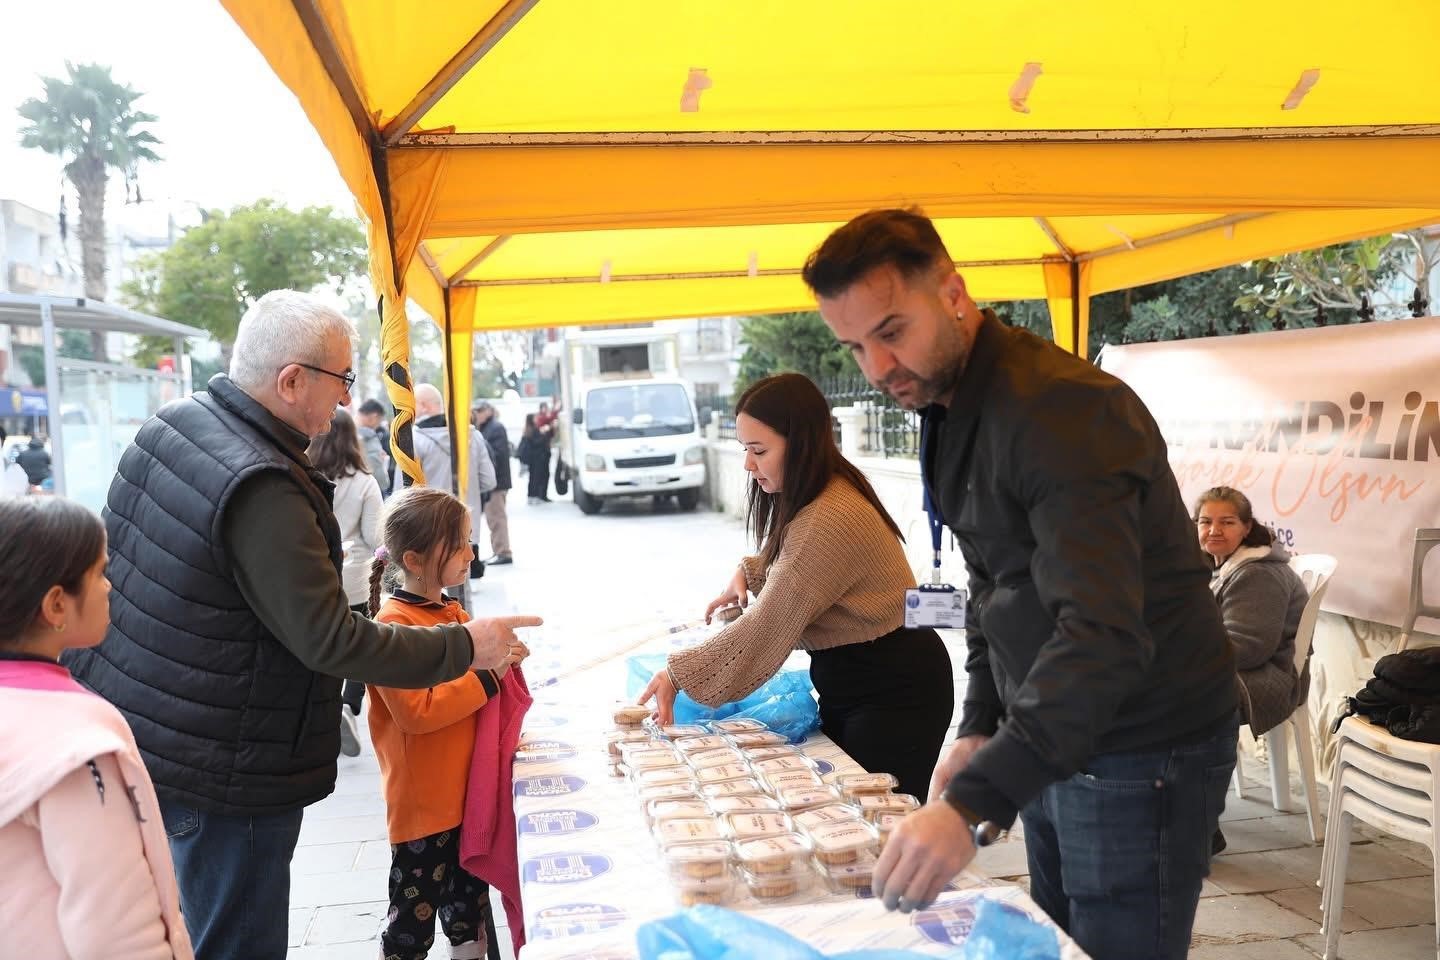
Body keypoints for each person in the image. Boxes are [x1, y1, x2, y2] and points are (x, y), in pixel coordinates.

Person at [807, 209, 1238, 959]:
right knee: (1060, 939)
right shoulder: (948, 404)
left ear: (953, 293)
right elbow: (994, 585)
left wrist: (973, 802)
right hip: (1056, 725)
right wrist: (981, 725)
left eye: (891, 331)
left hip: (1146, 740)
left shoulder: (1061, 412)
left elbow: (1102, 635)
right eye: (854, 347)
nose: (877, 368)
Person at [62, 290, 540, 960]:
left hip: (151, 731)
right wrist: (468, 646)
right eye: (342, 381)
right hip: (225, 756)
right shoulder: (260, 483)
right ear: (291, 381)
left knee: (194, 924)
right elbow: (331, 639)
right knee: (238, 937)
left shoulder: (171, 425)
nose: (345, 401)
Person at [638, 373, 954, 799]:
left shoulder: (830, 517)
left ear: (800, 442)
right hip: (860, 683)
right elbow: (788, 561)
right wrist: (748, 574)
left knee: (872, 829)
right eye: (745, 450)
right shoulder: (822, 493)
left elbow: (766, 627)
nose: (749, 465)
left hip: (894, 694)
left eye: (759, 450)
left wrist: (678, 674)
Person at [0, 496, 194, 959]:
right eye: (99, 572)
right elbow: (118, 931)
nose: (110, 586)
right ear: (55, 604)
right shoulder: (78, 743)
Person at [367, 486, 527, 960]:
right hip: (424, 808)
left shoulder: (453, 613)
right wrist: (488, 677)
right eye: (457, 544)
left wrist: (506, 656)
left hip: (467, 799)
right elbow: (418, 713)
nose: (470, 552)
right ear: (414, 560)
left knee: (469, 917)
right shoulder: (390, 627)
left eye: (469, 539)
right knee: (410, 929)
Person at [1195, 486, 1310, 744]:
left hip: (1265, 678)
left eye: (1227, 522)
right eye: (1205, 522)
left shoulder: (1257, 574)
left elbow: (1246, 650)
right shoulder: (1213, 566)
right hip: (1226, 668)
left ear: (1246, 528)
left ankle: (1181, 778)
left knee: (1156, 693)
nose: (1214, 530)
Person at [307, 407, 385, 757]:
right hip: (354, 577)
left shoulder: (301, 474)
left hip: (312, 575)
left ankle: (320, 710)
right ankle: (348, 707)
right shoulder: (365, 482)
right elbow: (374, 537)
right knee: (357, 644)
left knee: (319, 642)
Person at [412, 383, 497, 577]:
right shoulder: (472, 435)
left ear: (424, 405)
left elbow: (404, 490)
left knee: (432, 586)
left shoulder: (413, 440)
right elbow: (489, 481)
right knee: (463, 587)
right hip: (467, 524)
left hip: (428, 528)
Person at [472, 400, 513, 565]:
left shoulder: (495, 428)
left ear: (487, 411)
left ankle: (503, 551)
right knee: (493, 518)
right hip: (494, 482)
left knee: (496, 518)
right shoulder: (487, 427)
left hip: (497, 483)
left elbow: (497, 456)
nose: (477, 414)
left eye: (479, 411)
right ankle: (499, 550)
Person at [356, 398, 393, 496]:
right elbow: (376, 470)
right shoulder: (368, 435)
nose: (378, 425)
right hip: (370, 491)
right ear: (374, 417)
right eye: (379, 420)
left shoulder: (347, 430)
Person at [516, 413, 551, 505]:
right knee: (536, 478)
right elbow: (537, 442)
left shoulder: (527, 430)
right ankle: (534, 496)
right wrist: (544, 434)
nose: (537, 419)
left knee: (532, 478)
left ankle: (531, 496)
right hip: (537, 458)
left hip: (532, 458)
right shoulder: (534, 430)